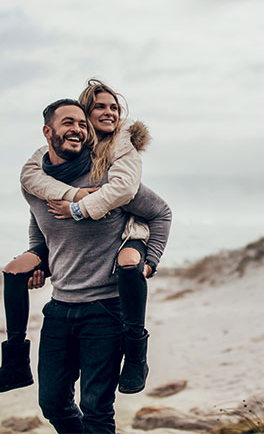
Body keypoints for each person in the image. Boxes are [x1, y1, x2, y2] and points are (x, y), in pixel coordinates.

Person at [0, 79, 161, 396]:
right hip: (60, 307)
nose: (108, 113)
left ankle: (136, 353)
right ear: (50, 131)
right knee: (13, 270)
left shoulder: (114, 161)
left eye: (113, 107)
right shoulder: (39, 172)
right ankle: (14, 361)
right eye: (99, 107)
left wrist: (151, 260)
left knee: (96, 409)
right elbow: (39, 214)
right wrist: (40, 260)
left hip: (107, 299)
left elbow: (154, 208)